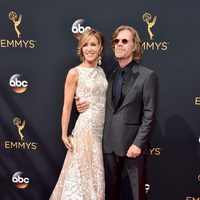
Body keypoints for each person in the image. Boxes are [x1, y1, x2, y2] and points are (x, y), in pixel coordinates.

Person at [76, 25, 157, 200]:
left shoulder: (147, 76)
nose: (119, 44)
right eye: (116, 41)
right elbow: (97, 101)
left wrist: (138, 143)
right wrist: (80, 104)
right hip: (108, 145)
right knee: (110, 194)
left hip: (132, 146)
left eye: (124, 41)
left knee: (138, 195)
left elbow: (149, 114)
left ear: (134, 46)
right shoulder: (107, 75)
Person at [50, 28, 108, 200]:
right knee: (83, 174)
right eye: (85, 45)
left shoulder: (101, 71)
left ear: (100, 48)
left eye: (93, 44)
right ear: (81, 49)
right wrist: (63, 134)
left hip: (100, 130)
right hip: (86, 128)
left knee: (94, 173)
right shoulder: (74, 73)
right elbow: (67, 106)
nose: (89, 49)